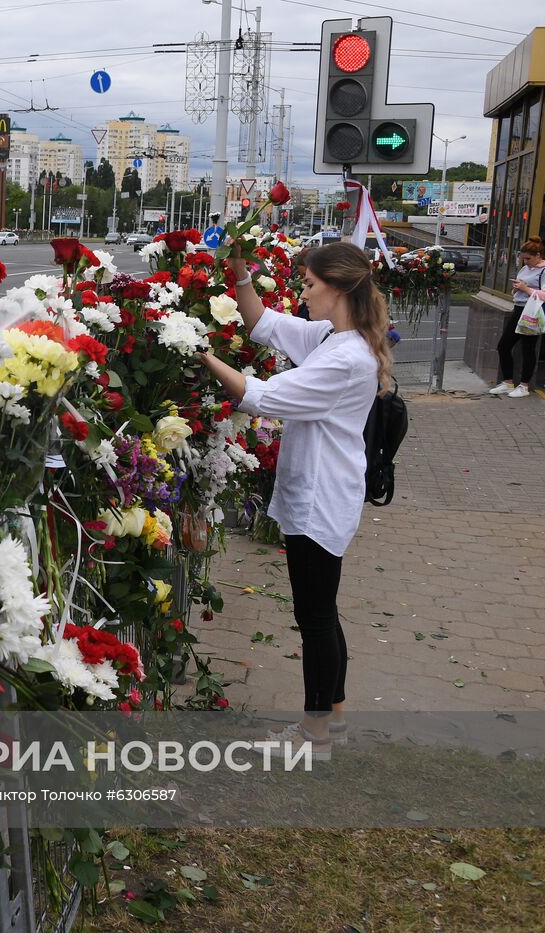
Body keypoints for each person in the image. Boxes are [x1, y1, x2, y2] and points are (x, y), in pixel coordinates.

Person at [199, 242, 386, 759]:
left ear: (340, 287)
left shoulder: (346, 357)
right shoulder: (333, 336)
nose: (302, 294)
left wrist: (201, 352)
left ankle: (314, 735)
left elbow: (267, 396)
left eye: (308, 285)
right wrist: (239, 274)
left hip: (321, 498)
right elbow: (265, 323)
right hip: (318, 491)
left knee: (316, 618)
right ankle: (335, 719)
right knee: (322, 612)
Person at [490, 237, 545, 398]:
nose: (526, 261)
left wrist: (526, 289)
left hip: (532, 311)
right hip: (518, 308)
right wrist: (517, 289)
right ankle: (507, 382)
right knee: (503, 345)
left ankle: (524, 385)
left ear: (539, 255)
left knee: (528, 349)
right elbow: (522, 287)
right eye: (523, 258)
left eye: (529, 258)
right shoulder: (525, 269)